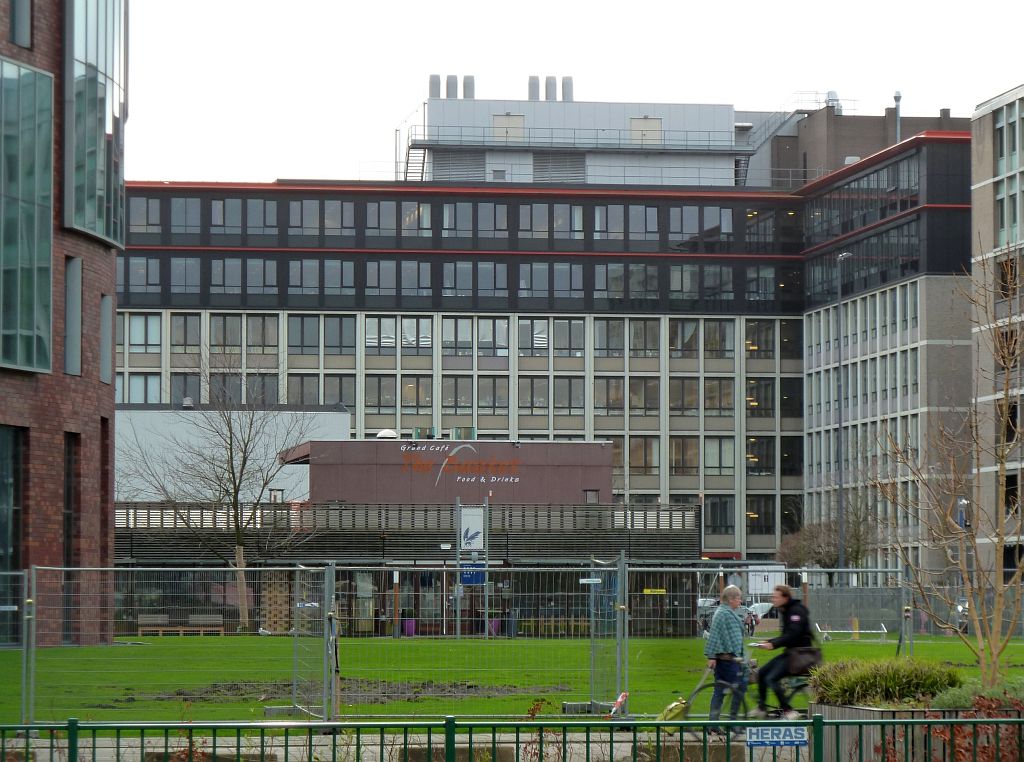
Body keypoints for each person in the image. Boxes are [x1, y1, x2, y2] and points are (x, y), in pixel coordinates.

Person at [751, 584, 813, 720]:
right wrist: (769, 642)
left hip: (800, 655)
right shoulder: (786, 611)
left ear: (785, 597)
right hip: (791, 653)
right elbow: (786, 636)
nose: (773, 599)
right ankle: (761, 707)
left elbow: (793, 635)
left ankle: (788, 710)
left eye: (775, 597)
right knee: (762, 673)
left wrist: (773, 644)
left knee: (771, 678)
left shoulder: (796, 611)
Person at [703, 585, 748, 735]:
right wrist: (711, 655)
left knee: (720, 691)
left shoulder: (725, 612)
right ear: (731, 599)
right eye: (738, 598)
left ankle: (713, 724)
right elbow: (715, 635)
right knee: (739, 687)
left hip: (726, 660)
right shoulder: (723, 613)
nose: (740, 601)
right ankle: (732, 723)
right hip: (728, 661)